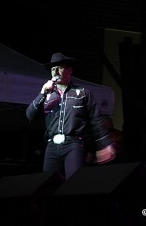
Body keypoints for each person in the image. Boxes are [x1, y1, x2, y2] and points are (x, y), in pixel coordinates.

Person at [26, 52, 116, 180]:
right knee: (47, 183)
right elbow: (29, 115)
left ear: (70, 70)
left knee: (74, 182)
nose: (56, 71)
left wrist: (104, 145)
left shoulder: (83, 93)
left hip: (73, 144)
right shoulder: (47, 95)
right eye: (53, 69)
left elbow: (96, 121)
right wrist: (42, 93)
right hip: (52, 145)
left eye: (60, 67)